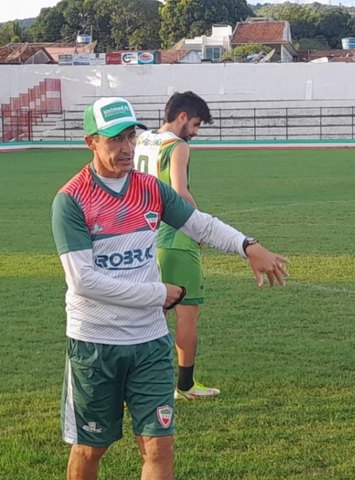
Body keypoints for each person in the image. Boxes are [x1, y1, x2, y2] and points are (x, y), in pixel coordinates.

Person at [51, 96, 289, 480]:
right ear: (90, 142)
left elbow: (201, 225)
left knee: (160, 447)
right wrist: (158, 294)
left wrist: (248, 245)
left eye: (130, 136)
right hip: (96, 345)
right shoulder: (71, 201)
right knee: (90, 448)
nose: (126, 148)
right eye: (114, 140)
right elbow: (84, 281)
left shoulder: (150, 189)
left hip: (149, 343)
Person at [132, 91, 220, 400]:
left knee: (150, 311)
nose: (195, 132)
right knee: (187, 312)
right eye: (195, 124)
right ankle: (185, 385)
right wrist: (200, 227)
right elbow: (180, 192)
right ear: (181, 117)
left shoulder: (141, 140)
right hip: (175, 235)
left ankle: (136, 382)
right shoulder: (177, 146)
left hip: (147, 234)